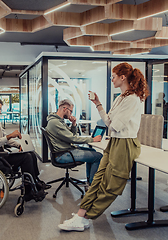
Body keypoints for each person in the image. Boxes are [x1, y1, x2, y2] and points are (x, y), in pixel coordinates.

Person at [58, 62, 149, 231]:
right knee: (98, 180)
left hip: (125, 143)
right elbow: (108, 122)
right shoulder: (120, 98)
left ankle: (86, 216)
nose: (111, 79)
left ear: (123, 78)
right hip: (115, 141)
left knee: (112, 185)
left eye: (113, 77)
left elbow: (115, 126)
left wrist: (111, 121)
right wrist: (98, 104)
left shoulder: (133, 100)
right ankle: (80, 215)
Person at [0, 97, 50, 202]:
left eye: (0, 109)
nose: (0, 111)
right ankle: (29, 191)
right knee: (26, 158)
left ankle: (35, 182)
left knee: (30, 153)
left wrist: (18, 145)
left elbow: (5, 138)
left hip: (0, 155)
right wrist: (9, 136)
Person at [45, 99, 103, 184]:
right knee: (98, 156)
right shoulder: (55, 122)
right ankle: (92, 185)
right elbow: (74, 139)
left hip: (65, 150)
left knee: (93, 152)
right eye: (70, 111)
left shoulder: (58, 120)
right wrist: (92, 139)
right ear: (65, 109)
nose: (71, 114)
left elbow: (72, 136)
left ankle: (89, 181)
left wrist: (74, 124)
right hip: (62, 154)